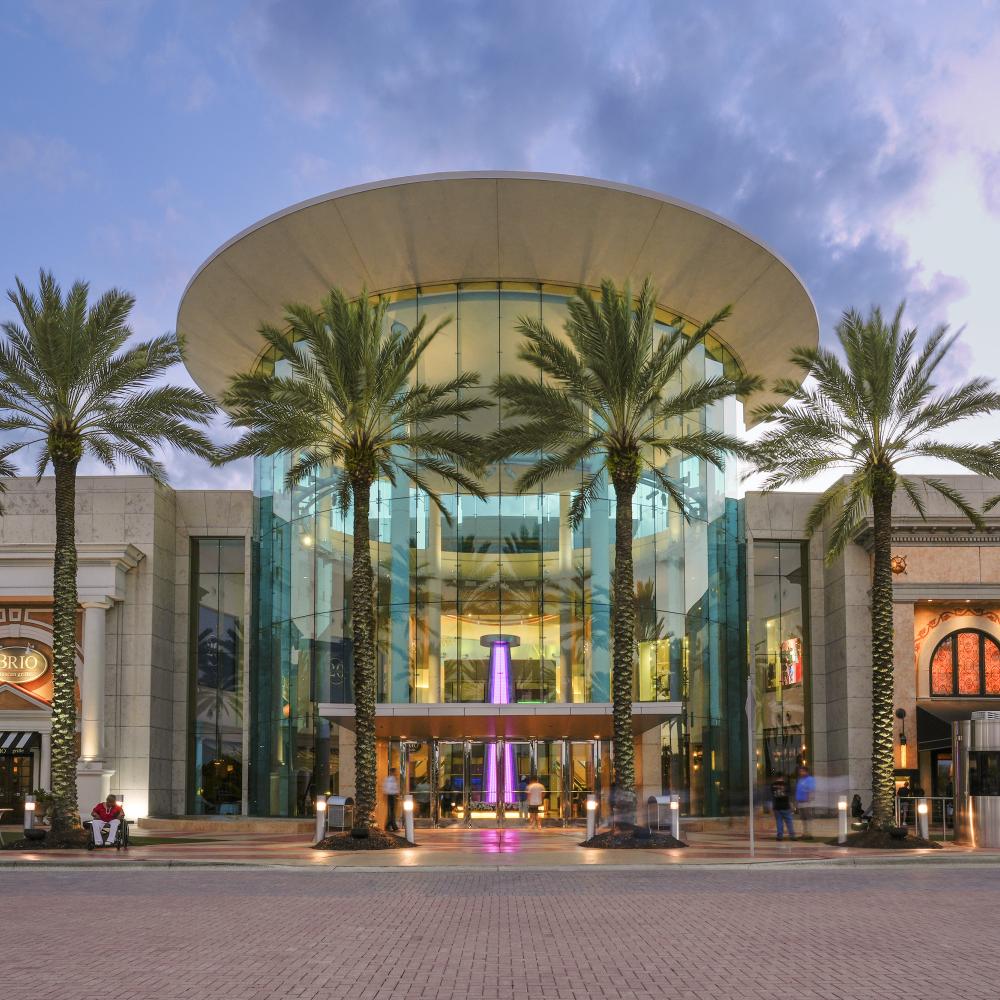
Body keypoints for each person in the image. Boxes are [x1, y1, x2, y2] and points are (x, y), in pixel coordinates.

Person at [770, 777, 795, 841]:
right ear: (782, 778)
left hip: (777, 807)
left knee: (779, 822)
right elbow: (789, 795)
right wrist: (791, 804)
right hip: (785, 806)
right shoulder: (786, 785)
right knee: (789, 822)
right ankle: (792, 836)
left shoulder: (773, 785)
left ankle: (780, 836)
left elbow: (772, 796)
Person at [795, 765, 815, 836]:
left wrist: (809, 799)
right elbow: (798, 791)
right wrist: (797, 802)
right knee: (803, 819)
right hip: (800, 802)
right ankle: (805, 832)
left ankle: (809, 833)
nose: (800, 773)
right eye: (800, 771)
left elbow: (811, 790)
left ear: (806, 772)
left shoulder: (810, 779)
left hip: (807, 803)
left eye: (802, 771)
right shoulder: (800, 780)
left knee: (808, 818)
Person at [383, 768, 400, 832]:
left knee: (392, 812)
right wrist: (395, 793)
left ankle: (389, 826)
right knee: (392, 812)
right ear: (392, 772)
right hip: (391, 796)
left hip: (392, 796)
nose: (396, 773)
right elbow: (389, 789)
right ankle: (393, 826)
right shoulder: (390, 779)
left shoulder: (392, 779)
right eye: (395, 772)